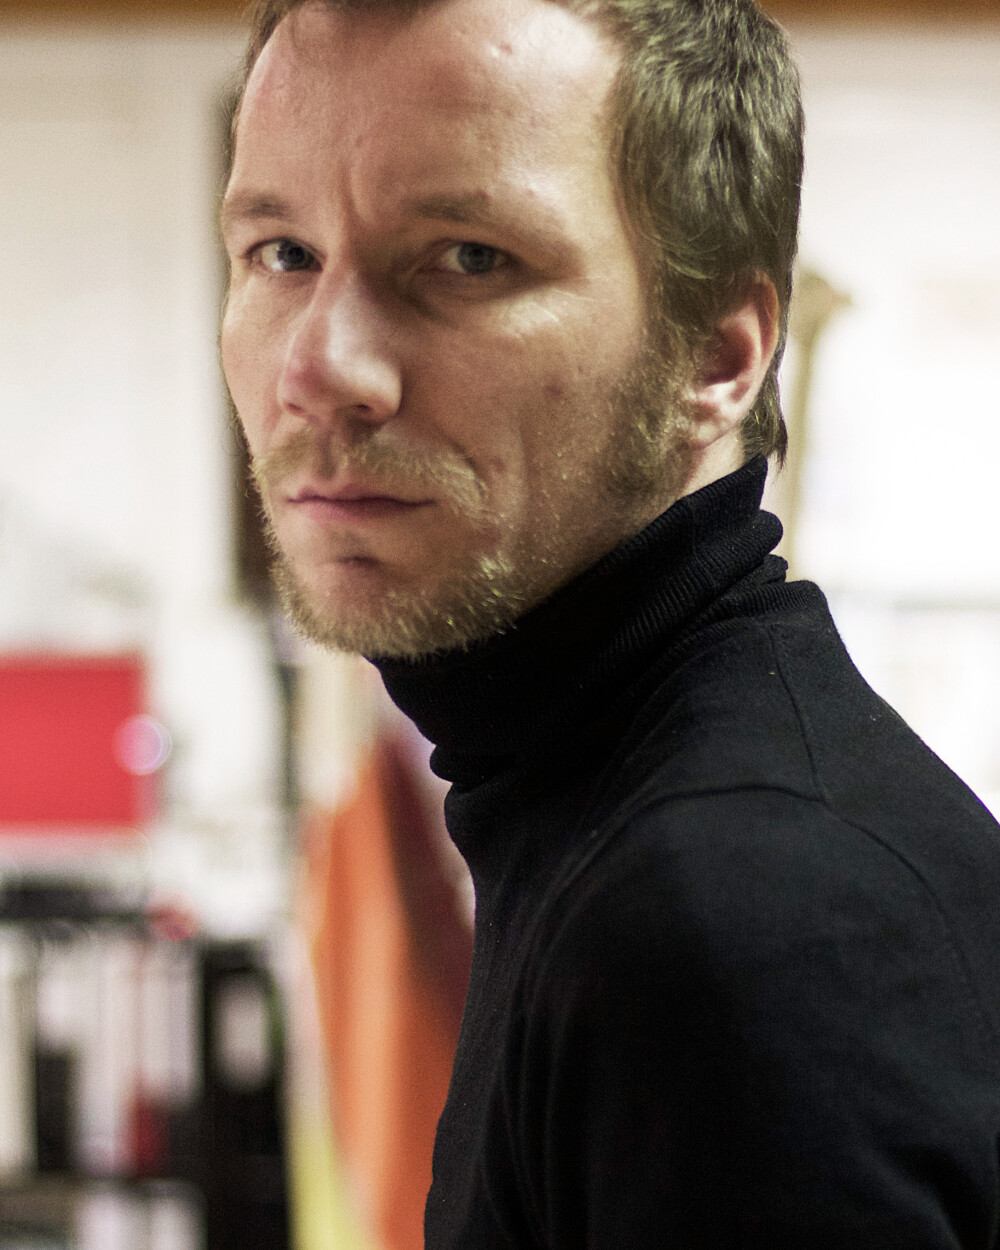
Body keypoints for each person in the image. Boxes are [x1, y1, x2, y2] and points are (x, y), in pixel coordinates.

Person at [220, 0, 1000, 1245]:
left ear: (718, 358)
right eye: (281, 253)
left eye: (469, 257)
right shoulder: (604, 808)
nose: (319, 369)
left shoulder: (736, 916)